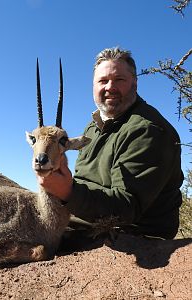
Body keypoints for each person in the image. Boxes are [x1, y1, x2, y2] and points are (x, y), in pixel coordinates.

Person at [38, 47, 184, 239]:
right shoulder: (94, 126)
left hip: (130, 234)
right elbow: (84, 180)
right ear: (93, 86)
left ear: (135, 83)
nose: (110, 87)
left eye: (119, 80)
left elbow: (126, 209)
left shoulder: (147, 130)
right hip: (83, 220)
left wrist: (68, 191)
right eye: (103, 81)